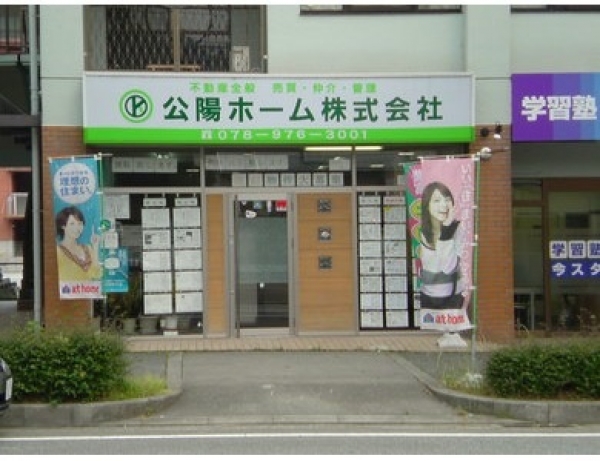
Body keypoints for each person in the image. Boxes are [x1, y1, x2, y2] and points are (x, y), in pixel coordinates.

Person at [419, 181, 466, 309]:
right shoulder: (419, 231)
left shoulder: (458, 229)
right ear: (427, 205)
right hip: (426, 296)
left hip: (453, 298)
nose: (443, 205)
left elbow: (448, 267)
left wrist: (446, 230)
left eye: (447, 200)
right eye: (437, 200)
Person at [55, 205, 102, 281]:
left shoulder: (88, 248)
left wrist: (95, 247)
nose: (77, 228)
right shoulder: (58, 251)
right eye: (72, 224)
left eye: (80, 223)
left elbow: (97, 275)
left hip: (89, 288)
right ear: (63, 226)